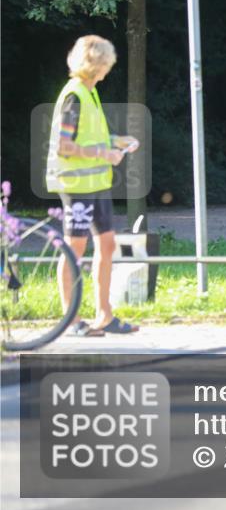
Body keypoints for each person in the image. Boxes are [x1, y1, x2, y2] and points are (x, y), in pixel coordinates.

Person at [46, 35, 140, 336]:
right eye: (107, 63)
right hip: (77, 186)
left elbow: (90, 139)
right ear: (97, 64)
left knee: (107, 244)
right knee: (75, 248)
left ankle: (104, 315)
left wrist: (118, 142)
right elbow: (64, 146)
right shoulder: (74, 95)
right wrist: (105, 153)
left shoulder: (90, 92)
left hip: (97, 184)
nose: (109, 69)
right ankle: (70, 320)